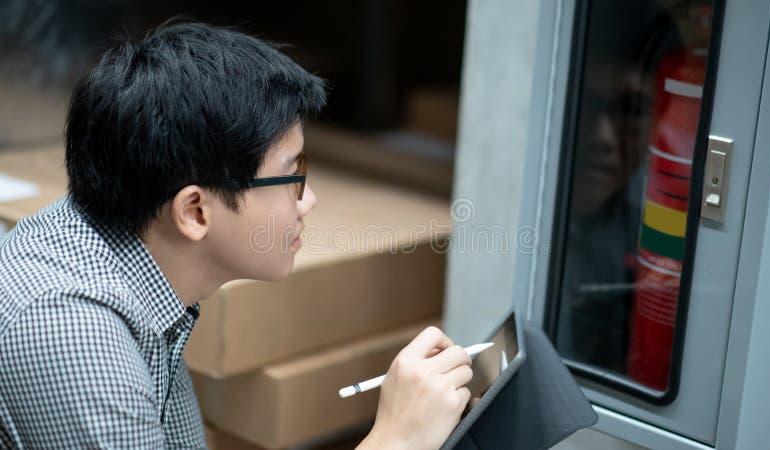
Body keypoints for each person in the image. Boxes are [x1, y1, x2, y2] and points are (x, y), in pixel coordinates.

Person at [0, 22, 473, 449]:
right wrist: (398, 439)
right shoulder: (75, 336)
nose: (308, 200)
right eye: (292, 176)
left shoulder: (135, 266)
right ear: (194, 211)